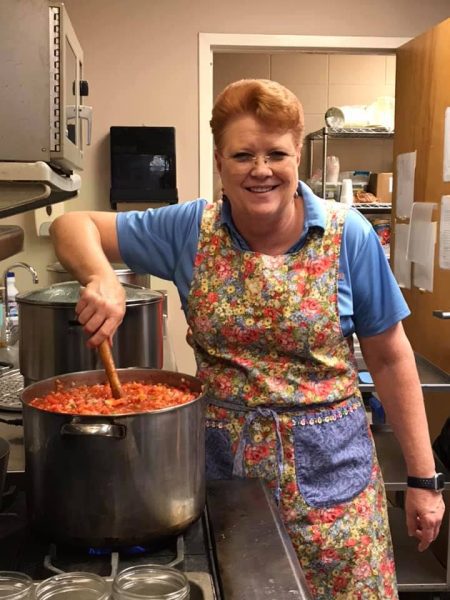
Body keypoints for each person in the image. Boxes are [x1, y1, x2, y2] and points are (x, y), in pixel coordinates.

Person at [50, 79, 444, 599]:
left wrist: (423, 481)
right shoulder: (190, 229)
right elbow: (70, 224)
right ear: (219, 161)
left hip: (338, 499)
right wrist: (101, 277)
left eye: (276, 153)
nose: (261, 169)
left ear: (298, 154)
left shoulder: (351, 236)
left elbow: (392, 360)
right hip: (224, 490)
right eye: (242, 155)